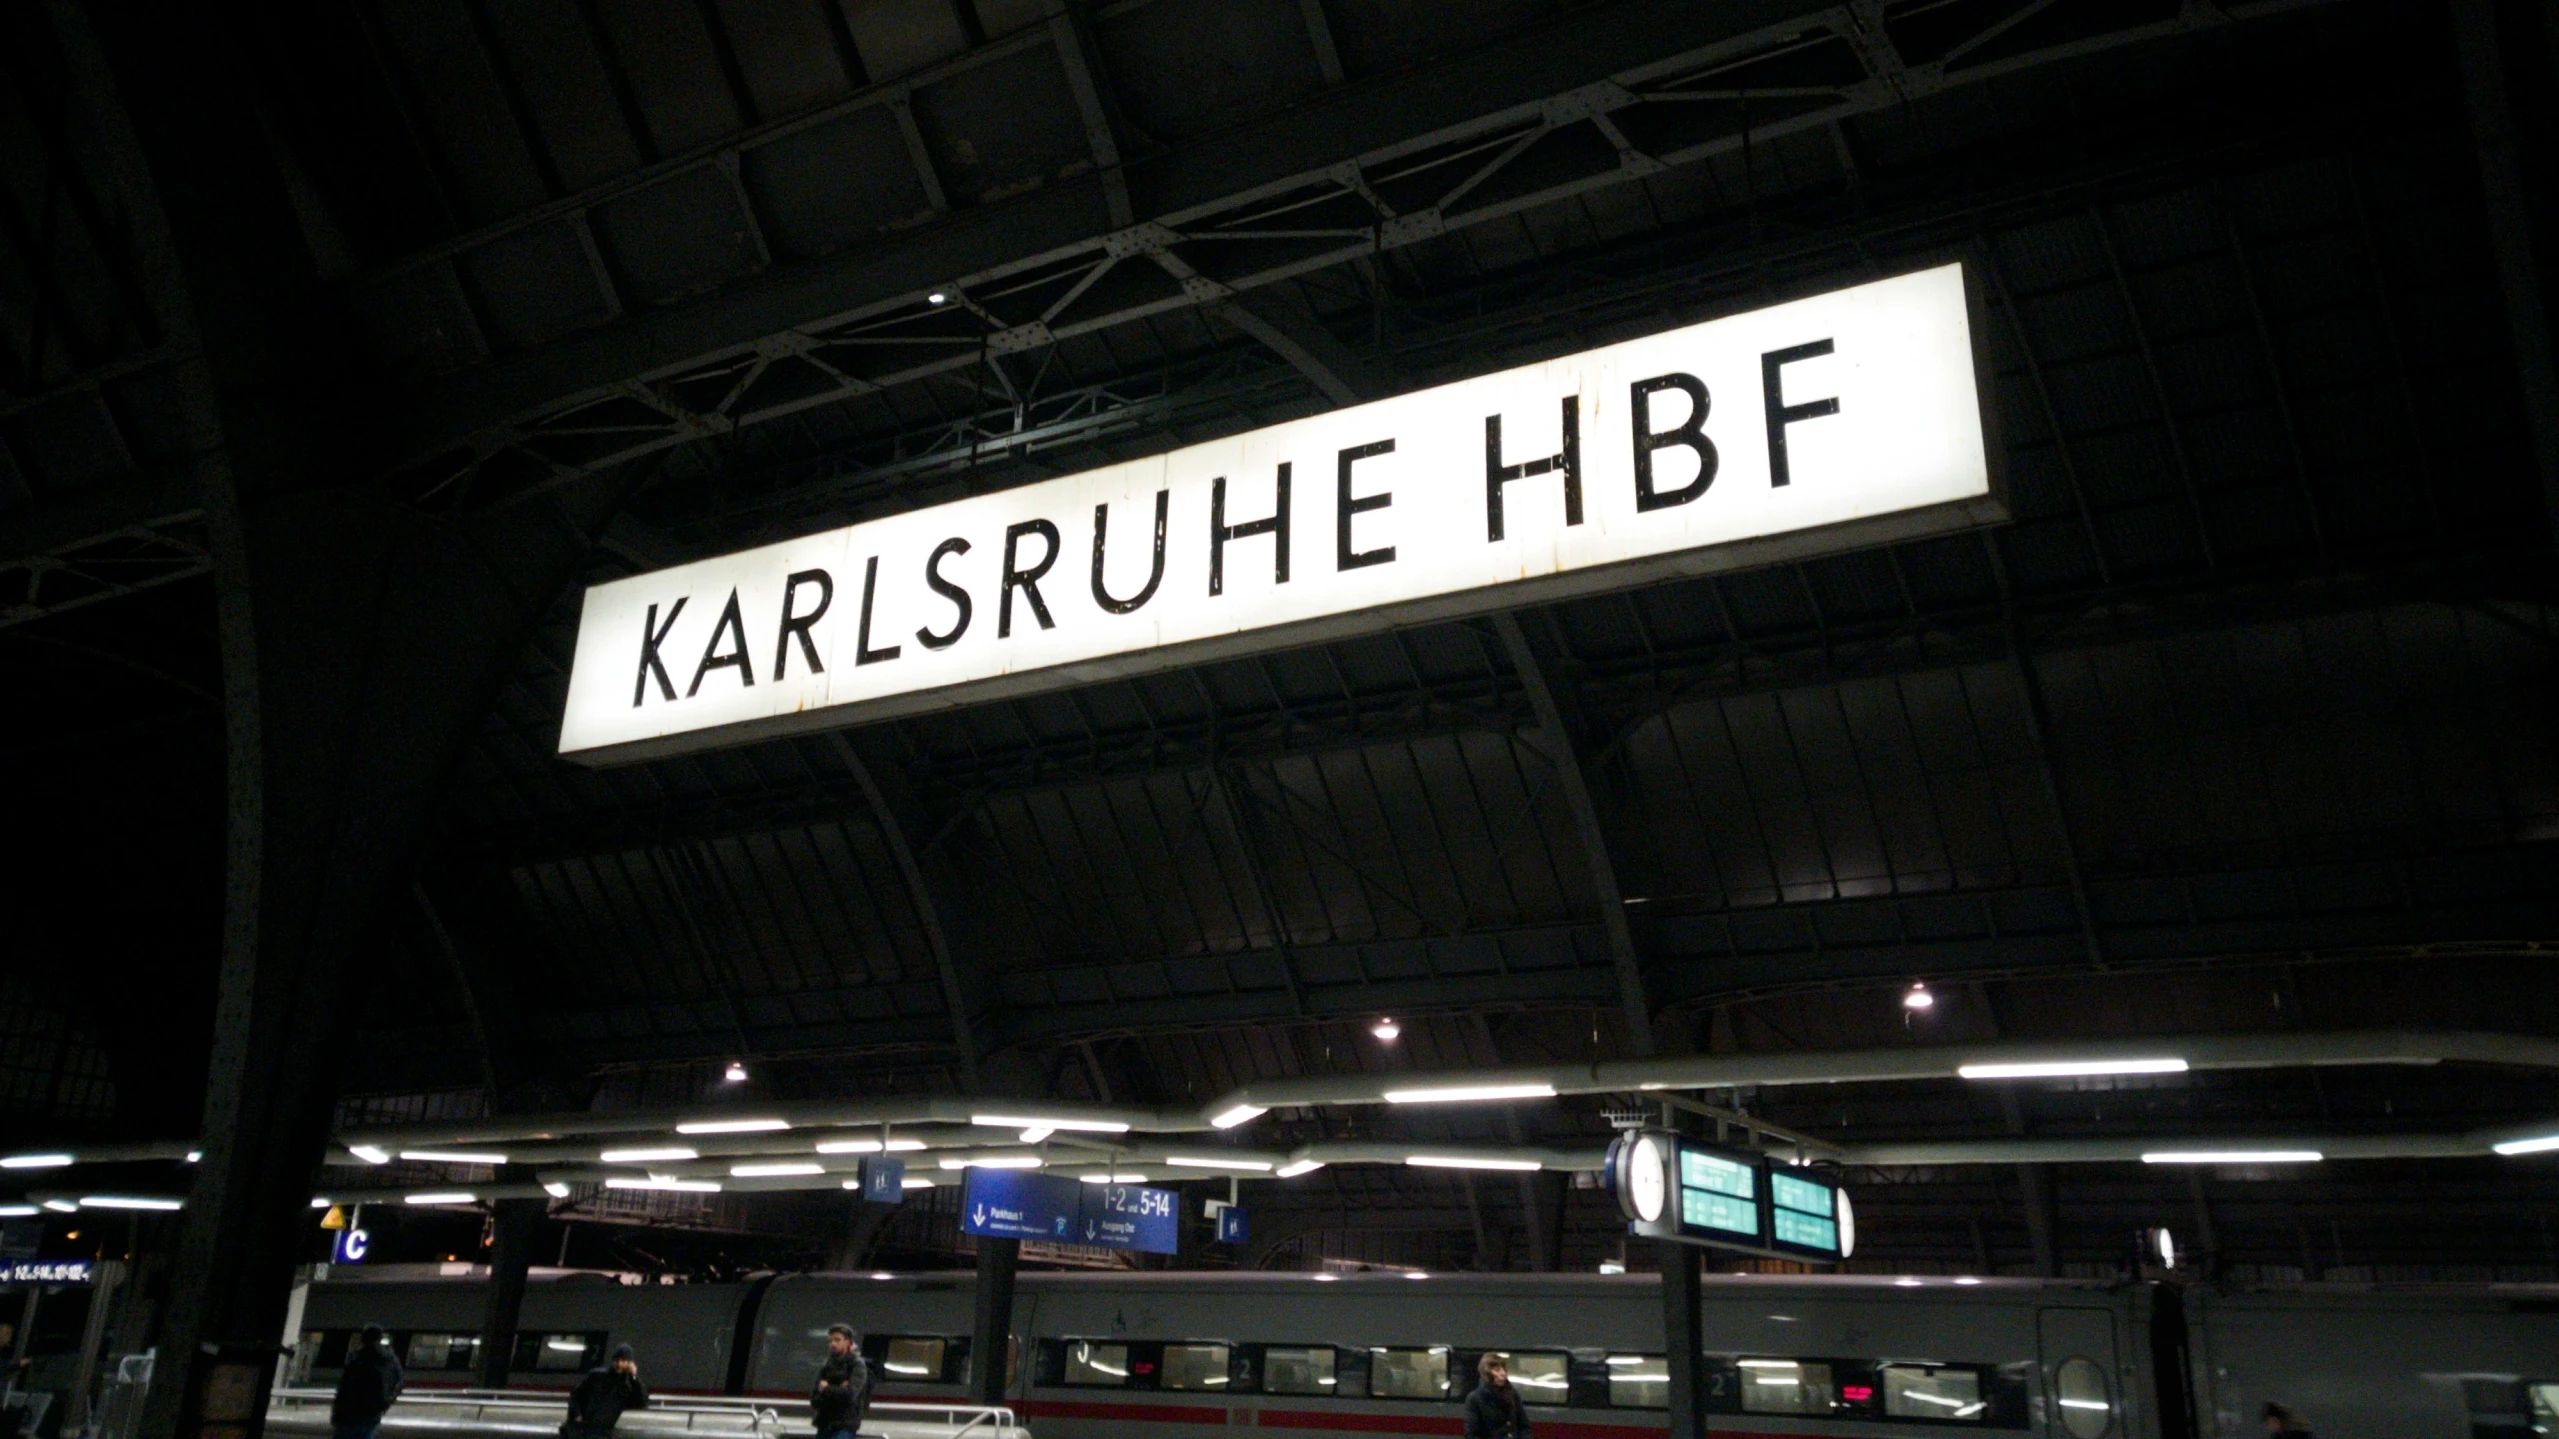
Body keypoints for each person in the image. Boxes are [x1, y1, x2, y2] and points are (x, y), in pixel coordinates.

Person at [331, 1325, 404, 1439]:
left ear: (363, 1338)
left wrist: (337, 1413)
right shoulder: (392, 1360)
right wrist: (385, 1404)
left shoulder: (358, 1358)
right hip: (374, 1413)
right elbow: (399, 1384)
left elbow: (346, 1387)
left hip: (350, 1413)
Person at [565, 1345, 648, 1439]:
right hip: (581, 1429)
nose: (619, 1364)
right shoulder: (596, 1376)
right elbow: (575, 1394)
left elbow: (641, 1402)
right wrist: (577, 1414)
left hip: (600, 1432)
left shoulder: (624, 1388)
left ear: (629, 1364)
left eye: (624, 1361)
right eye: (617, 1360)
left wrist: (634, 1378)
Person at [810, 1324, 872, 1439]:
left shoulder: (856, 1364)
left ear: (848, 1342)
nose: (833, 1344)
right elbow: (814, 1399)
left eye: (837, 1340)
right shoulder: (827, 1365)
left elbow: (849, 1395)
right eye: (831, 1340)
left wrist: (826, 1389)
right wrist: (840, 1389)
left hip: (845, 1424)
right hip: (824, 1423)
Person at [1465, 1352, 1531, 1439]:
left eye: (1504, 1369)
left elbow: (1524, 1424)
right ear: (1487, 1374)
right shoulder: (1475, 1398)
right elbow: (1471, 1434)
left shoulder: (1512, 1393)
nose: (1503, 1373)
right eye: (1497, 1370)